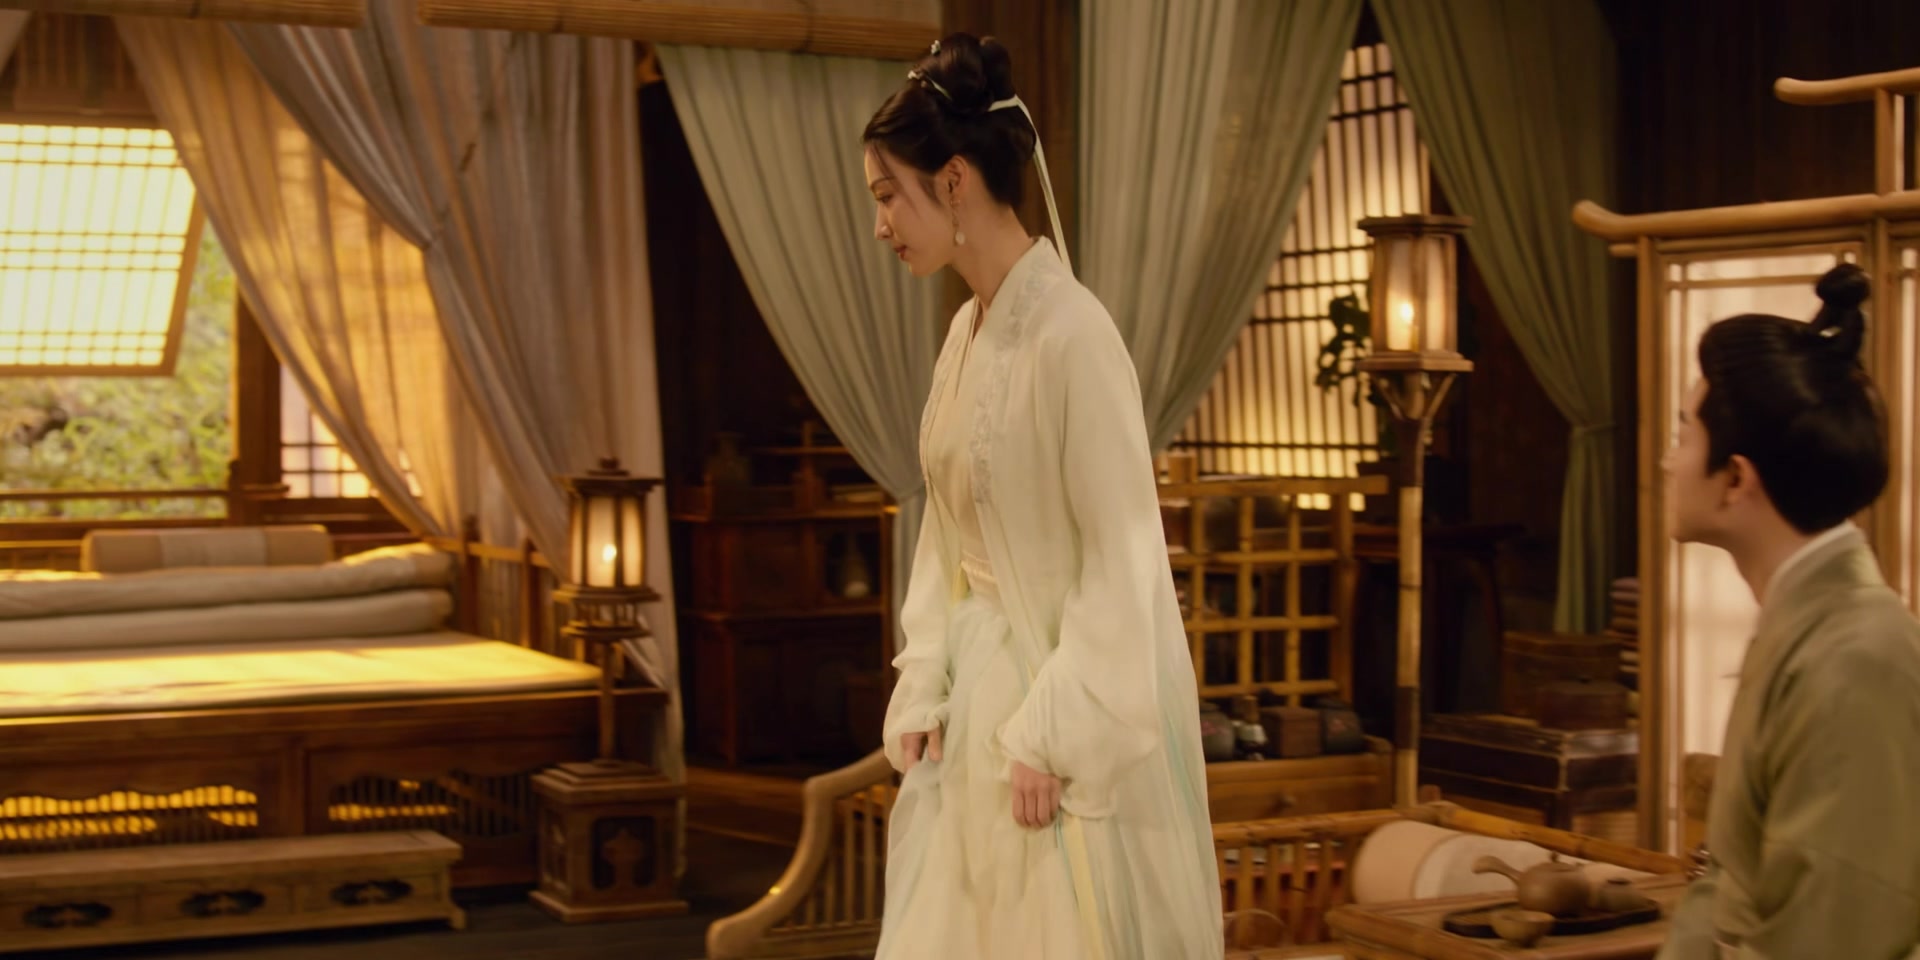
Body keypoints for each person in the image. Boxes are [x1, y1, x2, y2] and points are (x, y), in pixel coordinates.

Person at [863, 32, 1223, 960]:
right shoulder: (964, 335)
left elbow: (1124, 553)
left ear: (953, 181)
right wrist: (926, 676)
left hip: (1060, 710)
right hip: (977, 691)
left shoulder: (1074, 335)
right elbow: (947, 535)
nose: (882, 224)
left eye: (888, 195)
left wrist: (1055, 734)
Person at [1658, 263, 1920, 959]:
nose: (1668, 461)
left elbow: (1835, 931)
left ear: (1736, 478)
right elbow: (1728, 881)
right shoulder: (1808, 628)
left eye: (1684, 436)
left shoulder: (1859, 659)